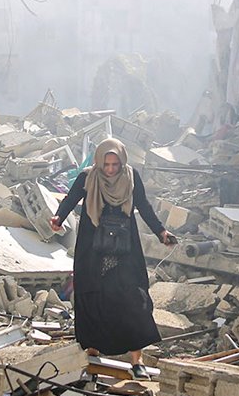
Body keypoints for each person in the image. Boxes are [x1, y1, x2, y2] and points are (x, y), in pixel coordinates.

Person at [50, 138, 176, 368]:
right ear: (99, 161)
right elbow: (70, 199)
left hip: (124, 247)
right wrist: (58, 218)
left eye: (115, 165)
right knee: (93, 297)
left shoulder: (131, 177)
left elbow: (144, 206)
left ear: (122, 162)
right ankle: (92, 352)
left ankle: (136, 360)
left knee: (132, 298)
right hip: (92, 248)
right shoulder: (88, 177)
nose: (110, 170)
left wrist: (161, 232)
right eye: (106, 164)